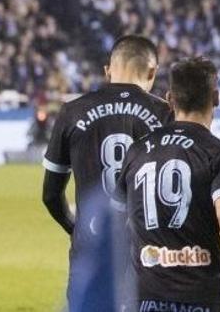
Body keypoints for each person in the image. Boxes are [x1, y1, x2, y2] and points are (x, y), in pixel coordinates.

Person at [113, 57, 220, 311]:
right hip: (199, 297)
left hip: (145, 296)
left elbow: (116, 219)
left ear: (170, 99)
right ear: (215, 97)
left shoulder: (137, 151)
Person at [41, 35, 172, 303]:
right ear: (152, 71)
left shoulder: (72, 112)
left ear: (108, 70)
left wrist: (75, 228)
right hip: (151, 252)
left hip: (92, 246)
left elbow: (50, 195)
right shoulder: (166, 113)